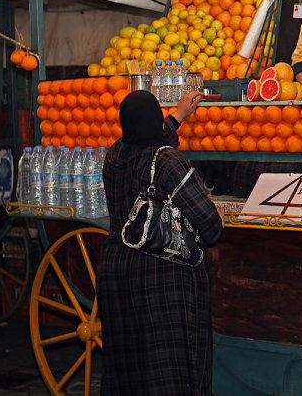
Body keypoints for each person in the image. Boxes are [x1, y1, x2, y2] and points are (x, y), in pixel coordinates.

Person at [98, 90, 224, 396]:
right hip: (160, 278)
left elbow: (148, 142)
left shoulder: (113, 155)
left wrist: (179, 116)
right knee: (168, 369)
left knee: (128, 367)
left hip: (116, 271)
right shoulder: (168, 161)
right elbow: (209, 227)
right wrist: (217, 217)